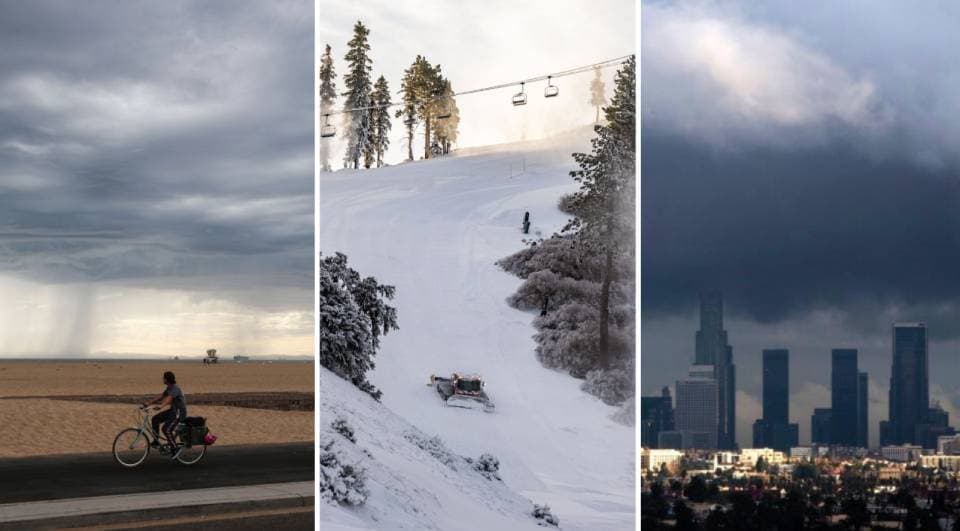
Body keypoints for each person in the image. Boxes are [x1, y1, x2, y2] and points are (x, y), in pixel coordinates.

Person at [143, 371, 188, 459]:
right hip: (173, 411)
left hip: (179, 412)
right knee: (155, 419)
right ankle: (156, 441)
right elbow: (161, 396)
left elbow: (169, 399)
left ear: (167, 379)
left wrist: (161, 406)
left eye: (164, 378)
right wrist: (148, 403)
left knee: (166, 429)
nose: (162, 379)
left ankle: (175, 449)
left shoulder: (175, 388)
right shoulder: (169, 388)